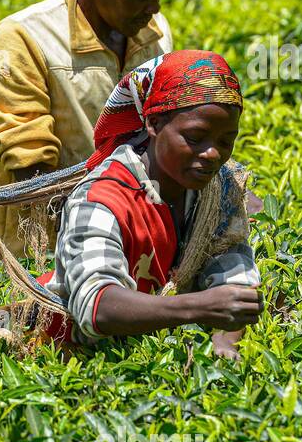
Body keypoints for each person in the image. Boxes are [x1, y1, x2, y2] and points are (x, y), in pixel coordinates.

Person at [19, 49, 264, 361]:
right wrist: (200, 307)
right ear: (153, 124)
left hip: (148, 357)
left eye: (226, 141)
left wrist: (225, 344)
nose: (213, 154)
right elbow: (97, 308)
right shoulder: (101, 197)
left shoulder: (220, 187)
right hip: (67, 356)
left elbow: (234, 283)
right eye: (195, 137)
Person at [0, 0, 175, 255]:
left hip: (135, 241)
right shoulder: (25, 37)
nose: (154, 8)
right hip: (42, 250)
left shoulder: (155, 34)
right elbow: (32, 168)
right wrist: (103, 219)